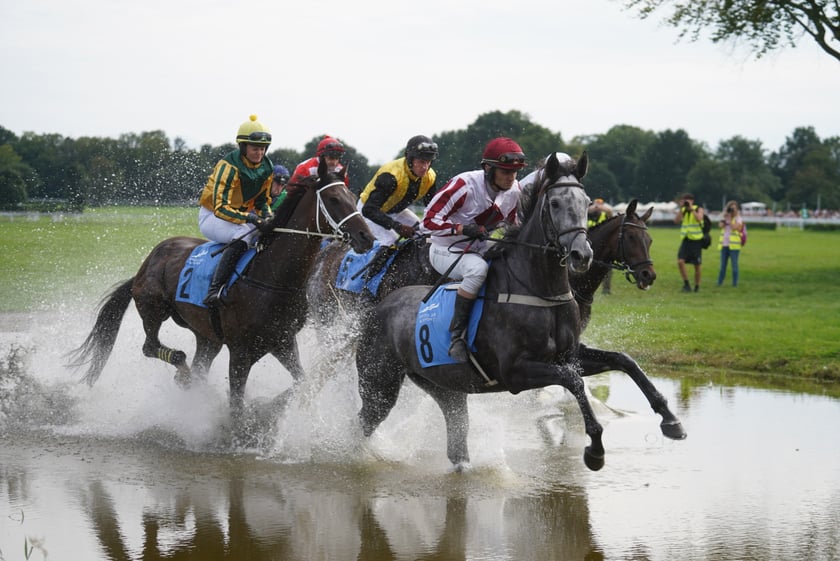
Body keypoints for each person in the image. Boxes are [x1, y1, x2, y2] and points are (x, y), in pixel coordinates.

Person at [423, 137, 526, 362]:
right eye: (505, 172)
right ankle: (457, 336)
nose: (511, 178)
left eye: (515, 173)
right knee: (478, 270)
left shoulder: (514, 191)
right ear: (488, 168)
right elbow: (428, 222)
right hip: (445, 249)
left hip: (479, 246)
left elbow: (514, 223)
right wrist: (462, 228)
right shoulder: (464, 185)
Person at [198, 114, 276, 307]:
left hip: (241, 216)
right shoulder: (229, 166)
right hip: (213, 217)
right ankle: (215, 289)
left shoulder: (267, 166)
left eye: (262, 148)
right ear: (243, 147)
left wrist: (268, 216)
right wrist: (251, 218)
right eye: (254, 148)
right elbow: (220, 208)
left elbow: (262, 201)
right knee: (244, 233)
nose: (259, 153)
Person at [358, 135, 438, 245]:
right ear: (410, 159)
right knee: (390, 241)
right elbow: (368, 210)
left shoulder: (430, 177)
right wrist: (397, 226)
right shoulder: (391, 176)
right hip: (367, 212)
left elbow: (433, 208)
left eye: (428, 162)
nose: (425, 167)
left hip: (395, 212)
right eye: (421, 161)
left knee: (424, 234)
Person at [674, 193, 705, 293]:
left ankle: (697, 286)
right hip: (686, 240)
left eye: (688, 200)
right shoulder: (683, 210)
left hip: (696, 241)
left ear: (692, 201)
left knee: (697, 265)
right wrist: (680, 208)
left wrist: (691, 209)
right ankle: (686, 284)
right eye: (685, 200)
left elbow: (699, 219)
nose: (687, 202)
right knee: (680, 261)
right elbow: (676, 221)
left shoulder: (698, 209)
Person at [588, 198, 614, 294]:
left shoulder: (605, 214)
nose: (597, 207)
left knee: (607, 268)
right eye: (595, 205)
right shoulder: (587, 214)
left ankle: (606, 289)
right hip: (589, 244)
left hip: (602, 245)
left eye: (600, 205)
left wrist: (604, 209)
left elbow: (611, 213)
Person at [717, 200, 744, 287]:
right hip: (724, 245)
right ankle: (719, 283)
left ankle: (734, 284)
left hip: (734, 246)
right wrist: (725, 217)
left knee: (734, 266)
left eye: (734, 209)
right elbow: (720, 226)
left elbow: (735, 227)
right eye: (730, 208)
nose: (732, 210)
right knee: (722, 267)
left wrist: (732, 218)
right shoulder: (725, 217)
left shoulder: (738, 218)